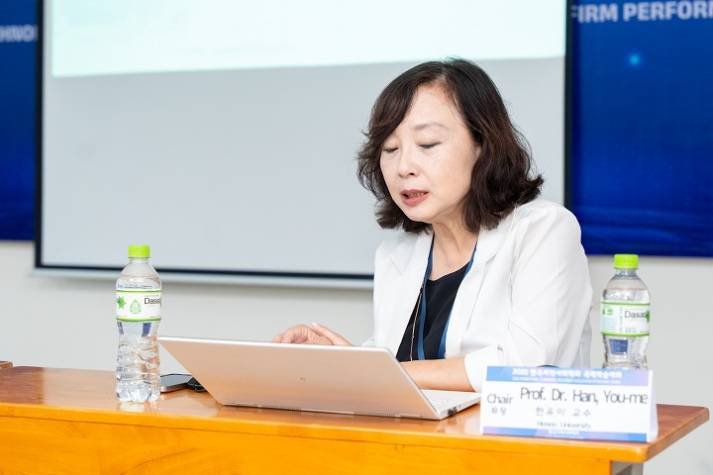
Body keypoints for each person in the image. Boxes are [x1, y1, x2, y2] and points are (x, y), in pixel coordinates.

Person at [273, 58, 592, 392]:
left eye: (426, 144)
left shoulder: (543, 231)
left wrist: (369, 372)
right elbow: (394, 366)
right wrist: (339, 360)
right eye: (389, 148)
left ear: (482, 144)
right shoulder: (395, 255)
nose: (403, 167)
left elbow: (525, 366)